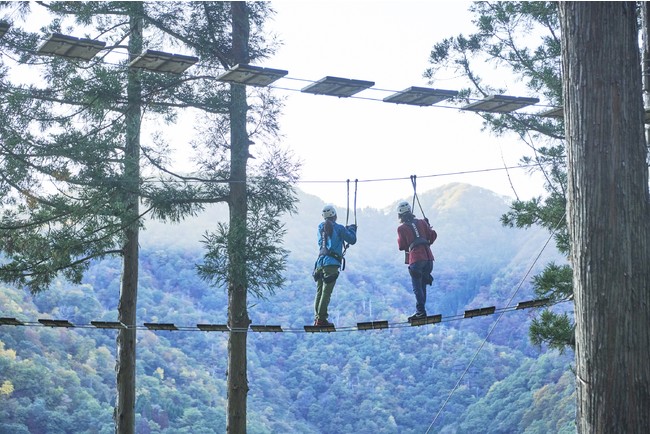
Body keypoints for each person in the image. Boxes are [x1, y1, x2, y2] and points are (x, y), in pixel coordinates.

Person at [312, 204, 357, 326]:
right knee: (326, 292)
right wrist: (352, 229)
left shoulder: (320, 227)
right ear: (335, 216)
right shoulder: (339, 228)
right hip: (331, 264)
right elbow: (352, 240)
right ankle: (321, 319)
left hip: (320, 262)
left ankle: (318, 318)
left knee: (320, 291)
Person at [396, 200, 437, 321]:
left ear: (399, 215)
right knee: (422, 285)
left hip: (416, 259)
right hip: (428, 258)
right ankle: (421, 311)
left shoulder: (401, 228)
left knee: (417, 286)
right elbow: (433, 236)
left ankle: (420, 312)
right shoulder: (422, 222)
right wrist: (427, 226)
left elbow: (401, 246)